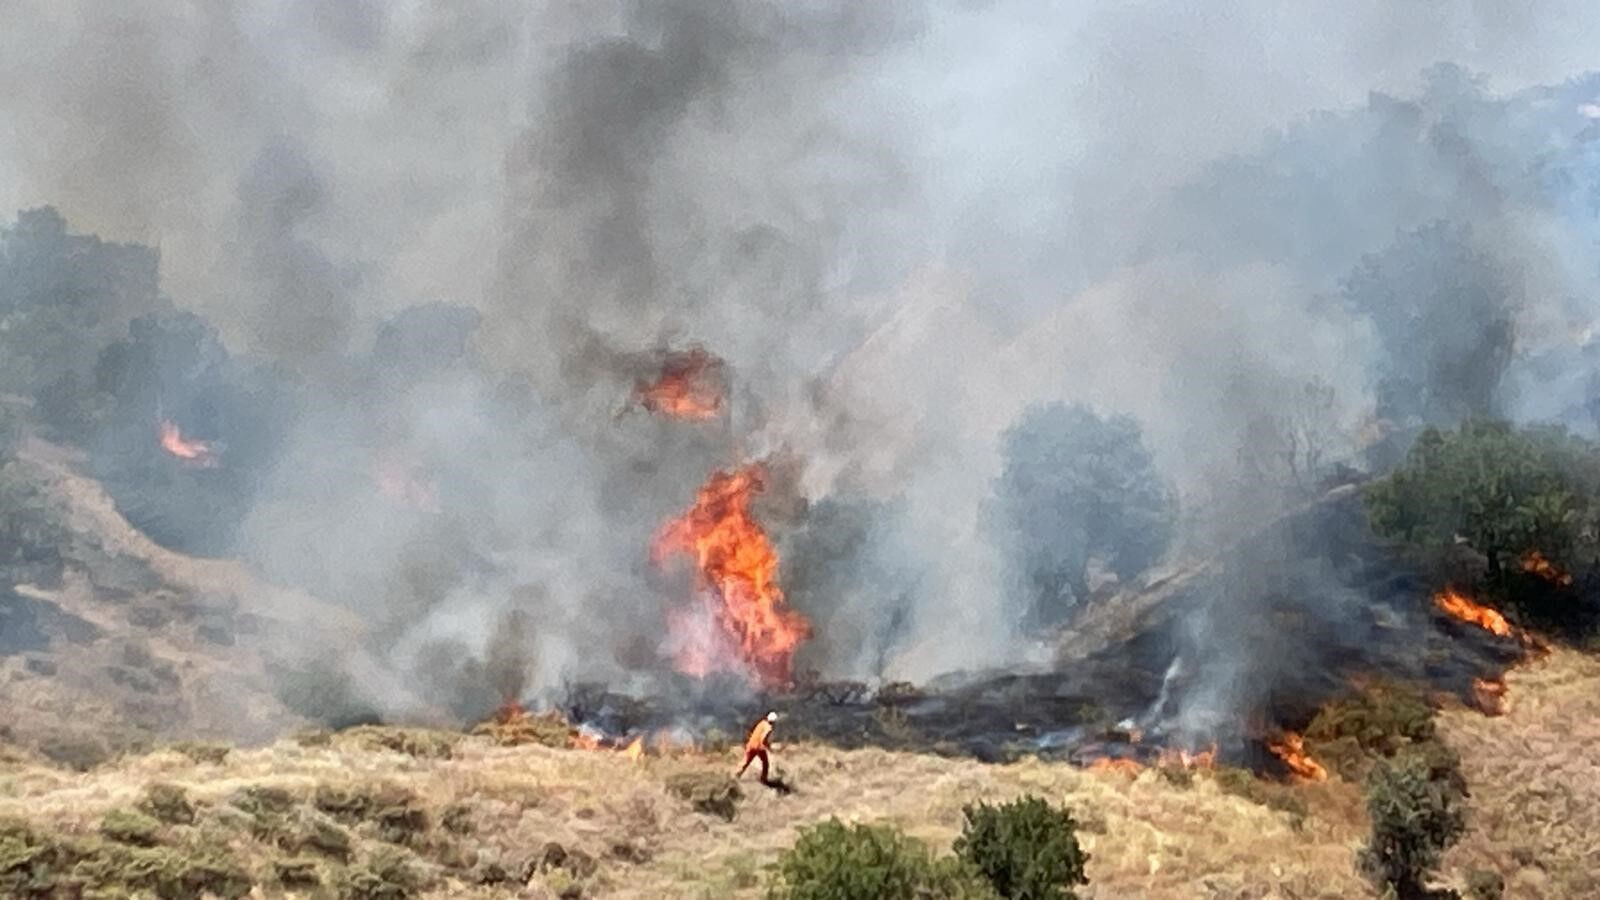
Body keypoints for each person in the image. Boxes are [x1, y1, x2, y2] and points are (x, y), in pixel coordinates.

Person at [736, 711, 777, 783]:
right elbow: (763, 739)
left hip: (751, 744)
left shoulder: (761, 723)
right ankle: (763, 780)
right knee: (765, 764)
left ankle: (736, 776)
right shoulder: (769, 728)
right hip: (759, 747)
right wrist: (768, 747)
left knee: (745, 762)